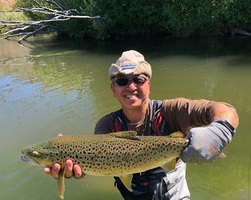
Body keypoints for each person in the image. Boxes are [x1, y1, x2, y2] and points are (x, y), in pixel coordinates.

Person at [45, 50, 239, 200]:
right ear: (113, 89)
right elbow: (95, 162)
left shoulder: (172, 111)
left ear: (149, 84)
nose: (131, 87)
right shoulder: (106, 125)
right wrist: (72, 159)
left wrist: (220, 130)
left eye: (139, 79)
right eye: (122, 81)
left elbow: (224, 109)